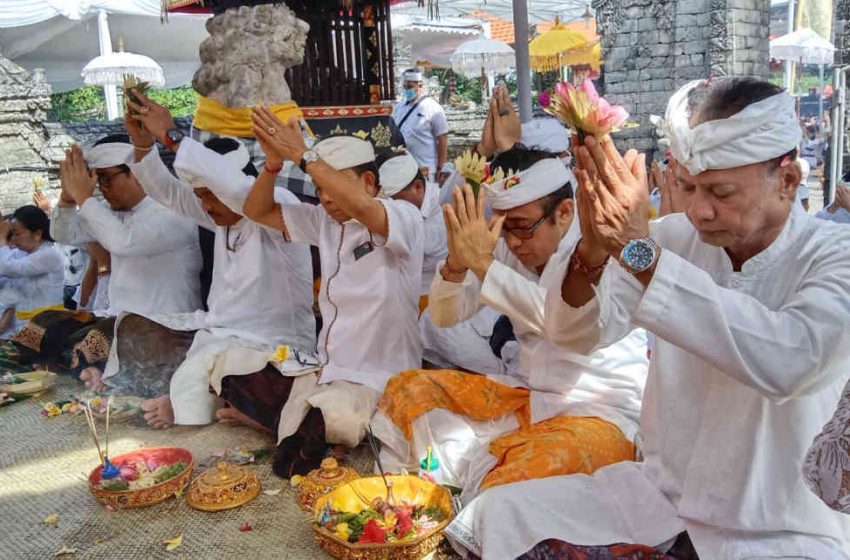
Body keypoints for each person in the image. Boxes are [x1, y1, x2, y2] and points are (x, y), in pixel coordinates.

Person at [447, 77, 850, 559]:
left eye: (720, 191)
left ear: (787, 180)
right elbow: (574, 332)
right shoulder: (675, 239)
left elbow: (792, 360)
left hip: (777, 527)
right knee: (498, 515)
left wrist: (636, 251)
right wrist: (592, 251)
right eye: (687, 187)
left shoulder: (834, 254)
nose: (700, 210)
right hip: (660, 498)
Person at [372, 150, 648, 502]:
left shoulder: (602, 249)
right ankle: (450, 479)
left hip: (600, 414)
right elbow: (444, 317)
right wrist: (456, 266)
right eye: (506, 229)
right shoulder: (509, 249)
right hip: (528, 398)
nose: (514, 242)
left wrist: (484, 263)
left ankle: (470, 491)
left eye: (522, 227)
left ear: (564, 213)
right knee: (409, 388)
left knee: (522, 472)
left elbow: (565, 327)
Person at [79, 92, 317, 431]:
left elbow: (236, 189)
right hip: (218, 334)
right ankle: (162, 392)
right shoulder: (219, 215)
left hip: (273, 348)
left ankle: (193, 406)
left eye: (210, 195)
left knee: (214, 367)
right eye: (201, 196)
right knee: (141, 330)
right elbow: (169, 192)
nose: (205, 206)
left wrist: (172, 135)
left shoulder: (277, 210)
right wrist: (143, 145)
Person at [221, 107, 424, 477]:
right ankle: (298, 418)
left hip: (379, 379)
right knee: (231, 372)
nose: (325, 198)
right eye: (319, 190)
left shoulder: (402, 217)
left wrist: (304, 155)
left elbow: (361, 207)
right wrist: (271, 165)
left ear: (368, 181)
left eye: (332, 186)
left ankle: (306, 424)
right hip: (326, 371)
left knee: (302, 450)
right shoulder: (324, 222)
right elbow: (254, 210)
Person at [11, 137, 202, 377]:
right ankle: (45, 375)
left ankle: (89, 387)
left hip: (166, 324)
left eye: (106, 178)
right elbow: (63, 233)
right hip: (118, 318)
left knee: (96, 338)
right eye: (97, 179)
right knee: (44, 323)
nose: (101, 187)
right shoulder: (113, 212)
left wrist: (84, 198)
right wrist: (68, 199)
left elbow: (122, 243)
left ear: (136, 172)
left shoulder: (172, 211)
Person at [377, 152, 447, 299]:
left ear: (418, 187)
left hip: (438, 293)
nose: (394, 209)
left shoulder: (445, 205)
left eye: (397, 201)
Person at [0, 206, 64, 337]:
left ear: (37, 234)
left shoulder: (48, 254)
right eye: (11, 234)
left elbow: (8, 268)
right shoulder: (21, 253)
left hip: (46, 329)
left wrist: (1, 239)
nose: (13, 239)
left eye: (17, 234)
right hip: (23, 327)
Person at [392, 68, 449, 183]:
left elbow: (442, 139)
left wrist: (440, 167)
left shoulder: (432, 108)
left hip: (426, 168)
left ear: (420, 86)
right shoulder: (399, 108)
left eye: (410, 87)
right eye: (404, 86)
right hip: (404, 168)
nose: (406, 90)